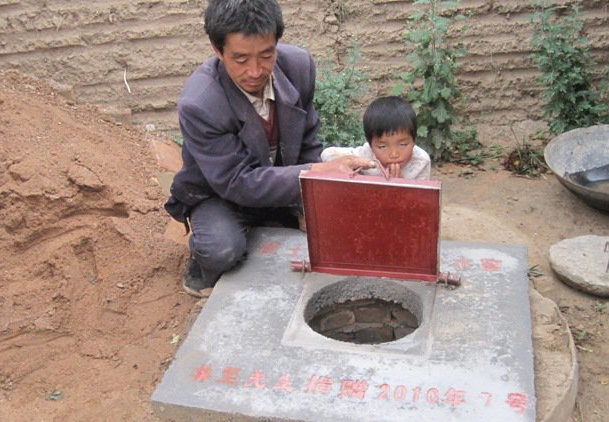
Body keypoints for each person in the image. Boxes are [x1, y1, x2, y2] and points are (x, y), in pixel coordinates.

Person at [164, 0, 375, 298]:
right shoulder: (200, 103)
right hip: (222, 194)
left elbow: (308, 142)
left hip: (284, 184)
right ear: (217, 50)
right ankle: (202, 260)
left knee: (350, 223)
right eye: (240, 59)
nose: (255, 71)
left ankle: (274, 219)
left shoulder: (298, 67)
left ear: (277, 43)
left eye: (266, 55)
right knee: (222, 250)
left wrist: (309, 204)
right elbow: (237, 181)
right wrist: (314, 173)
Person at [321, 96, 431, 180]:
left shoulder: (421, 162)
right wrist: (353, 164)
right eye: (382, 146)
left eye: (403, 145)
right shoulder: (366, 155)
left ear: (414, 140)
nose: (394, 154)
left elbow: (420, 200)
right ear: (371, 145)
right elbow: (327, 154)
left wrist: (401, 185)